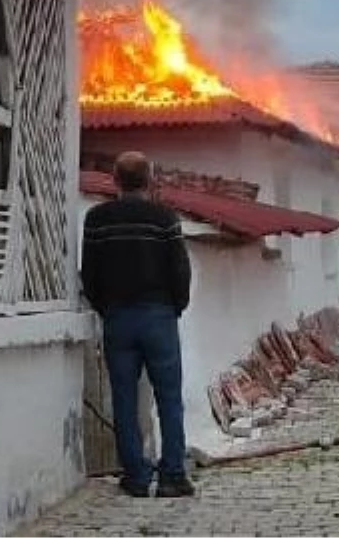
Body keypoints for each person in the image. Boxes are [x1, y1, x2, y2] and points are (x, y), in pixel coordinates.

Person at [81, 151, 195, 498]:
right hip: (158, 316)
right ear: (150, 180)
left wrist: (106, 309)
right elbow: (180, 270)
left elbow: (90, 274)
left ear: (115, 180)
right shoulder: (165, 219)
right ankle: (173, 474)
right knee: (169, 398)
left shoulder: (96, 219)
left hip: (118, 318)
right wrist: (176, 305)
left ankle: (136, 476)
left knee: (125, 398)